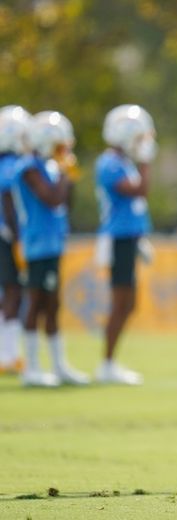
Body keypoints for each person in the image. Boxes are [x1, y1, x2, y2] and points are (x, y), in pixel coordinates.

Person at [12, 111, 89, 387]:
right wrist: (65, 172)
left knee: (52, 304)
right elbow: (52, 198)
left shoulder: (48, 166)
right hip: (37, 245)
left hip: (53, 243)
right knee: (36, 302)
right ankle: (31, 367)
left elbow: (67, 202)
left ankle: (59, 365)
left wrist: (64, 173)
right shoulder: (28, 167)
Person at [93, 104, 157, 385]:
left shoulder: (123, 162)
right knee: (121, 302)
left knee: (129, 303)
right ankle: (106, 364)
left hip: (129, 238)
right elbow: (139, 190)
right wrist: (145, 161)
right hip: (118, 238)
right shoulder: (110, 163)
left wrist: (141, 237)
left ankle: (109, 362)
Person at [0, 105, 29, 375]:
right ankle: (7, 354)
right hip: (7, 235)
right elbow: (9, 202)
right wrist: (19, 238)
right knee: (13, 292)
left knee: (9, 293)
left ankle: (8, 352)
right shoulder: (11, 165)